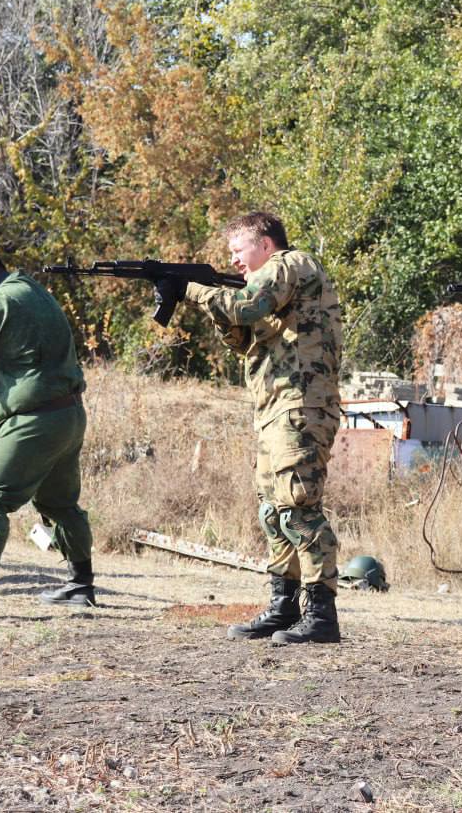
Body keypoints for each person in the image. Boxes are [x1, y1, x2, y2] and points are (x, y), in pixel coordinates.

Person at [174, 211, 344, 645]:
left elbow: (248, 306)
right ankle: (283, 607)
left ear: (265, 244)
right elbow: (243, 337)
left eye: (238, 250)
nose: (233, 261)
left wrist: (192, 290)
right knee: (273, 512)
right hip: (275, 409)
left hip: (301, 405)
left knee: (299, 508)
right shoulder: (274, 284)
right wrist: (214, 307)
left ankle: (321, 615)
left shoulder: (290, 265)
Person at [0, 244, 98, 615]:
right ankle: (81, 585)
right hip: (68, 416)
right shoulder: (33, 291)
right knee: (60, 505)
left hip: (30, 420)